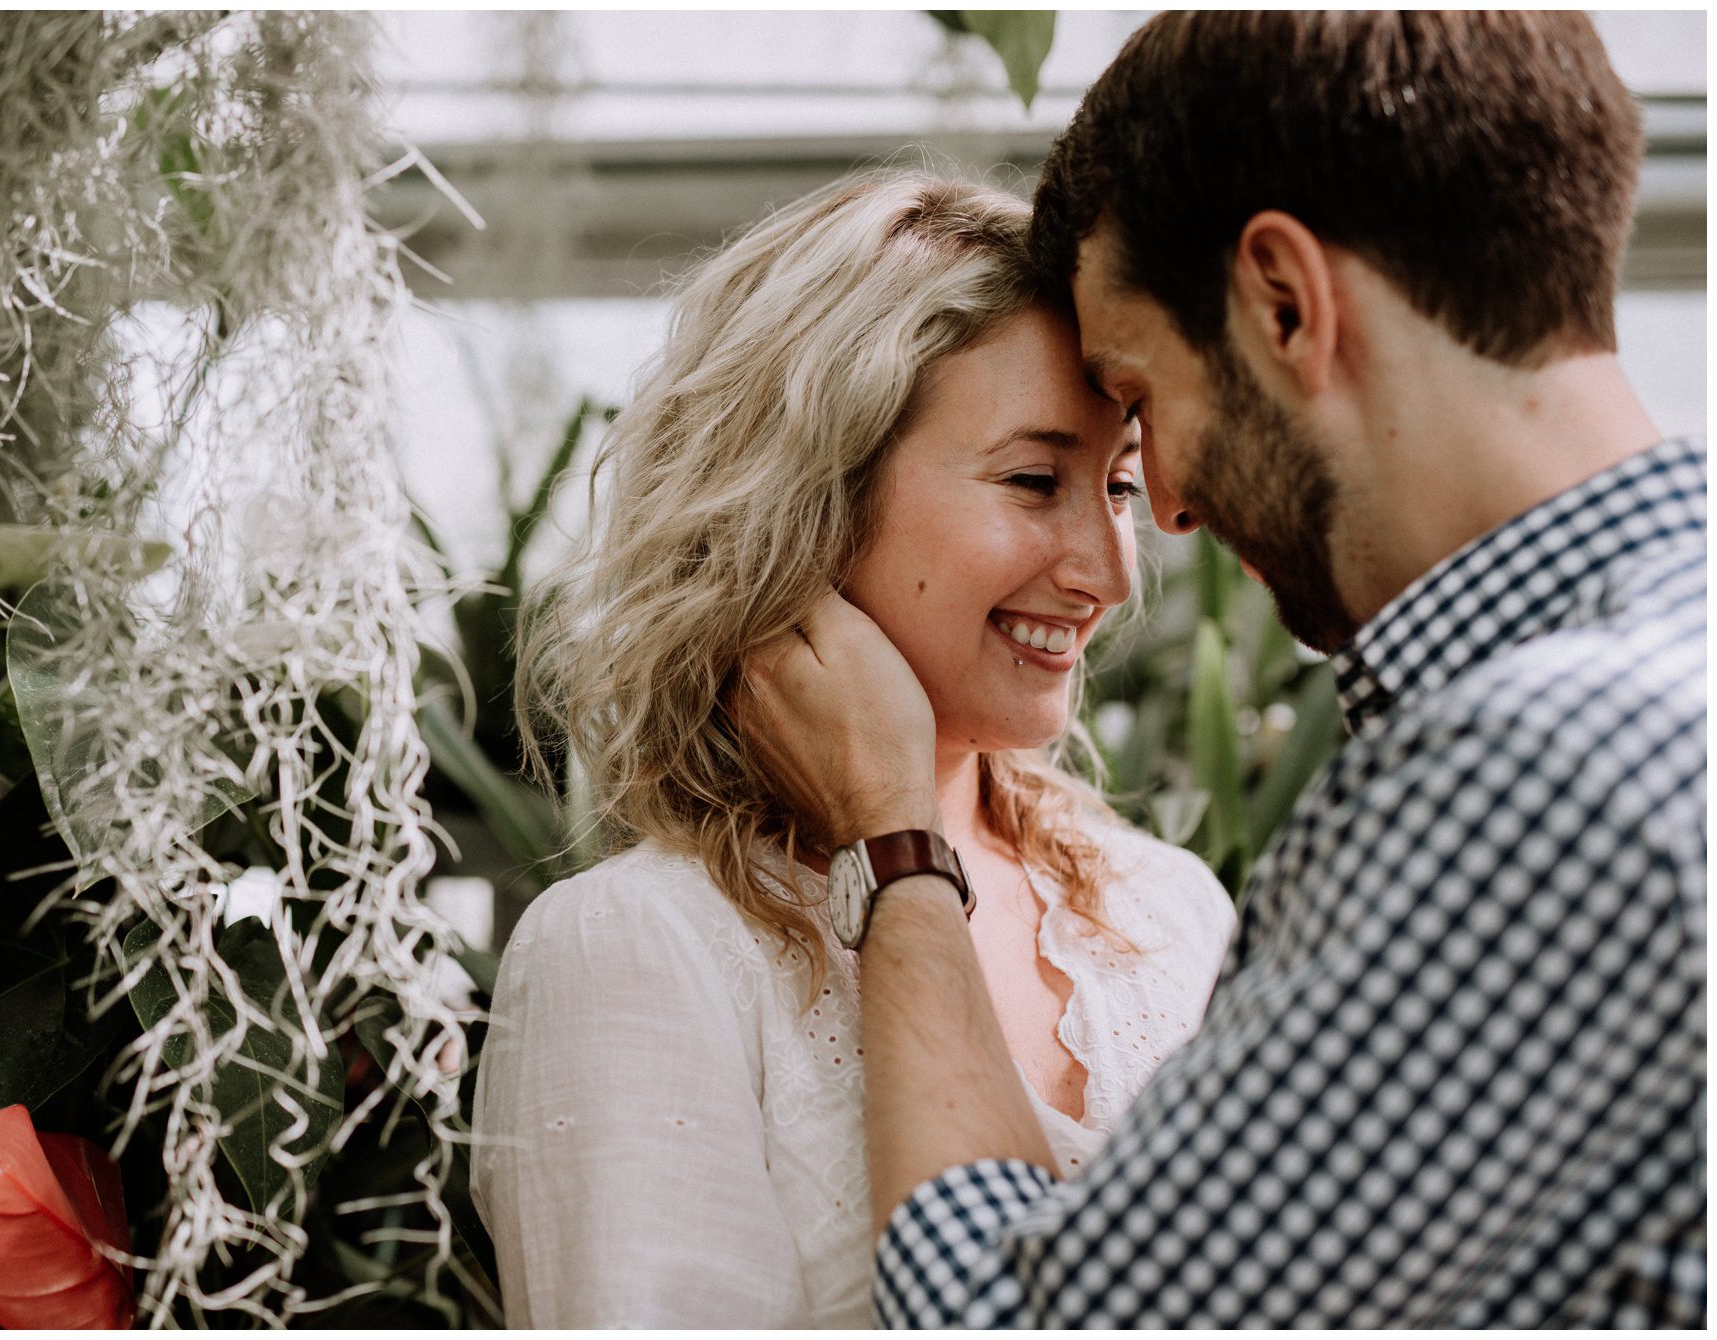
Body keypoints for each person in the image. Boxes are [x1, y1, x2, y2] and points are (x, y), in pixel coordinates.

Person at [739, 11, 1705, 1328]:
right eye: (1039, 476)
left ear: (1284, 302)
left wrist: (896, 846)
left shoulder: (1537, 775)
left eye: (1140, 406)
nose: (1167, 514)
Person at [468, 172, 1237, 1327]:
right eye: (1033, 480)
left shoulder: (1167, 911)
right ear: (805, 502)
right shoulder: (639, 945)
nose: (1107, 569)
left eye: (1118, 486)